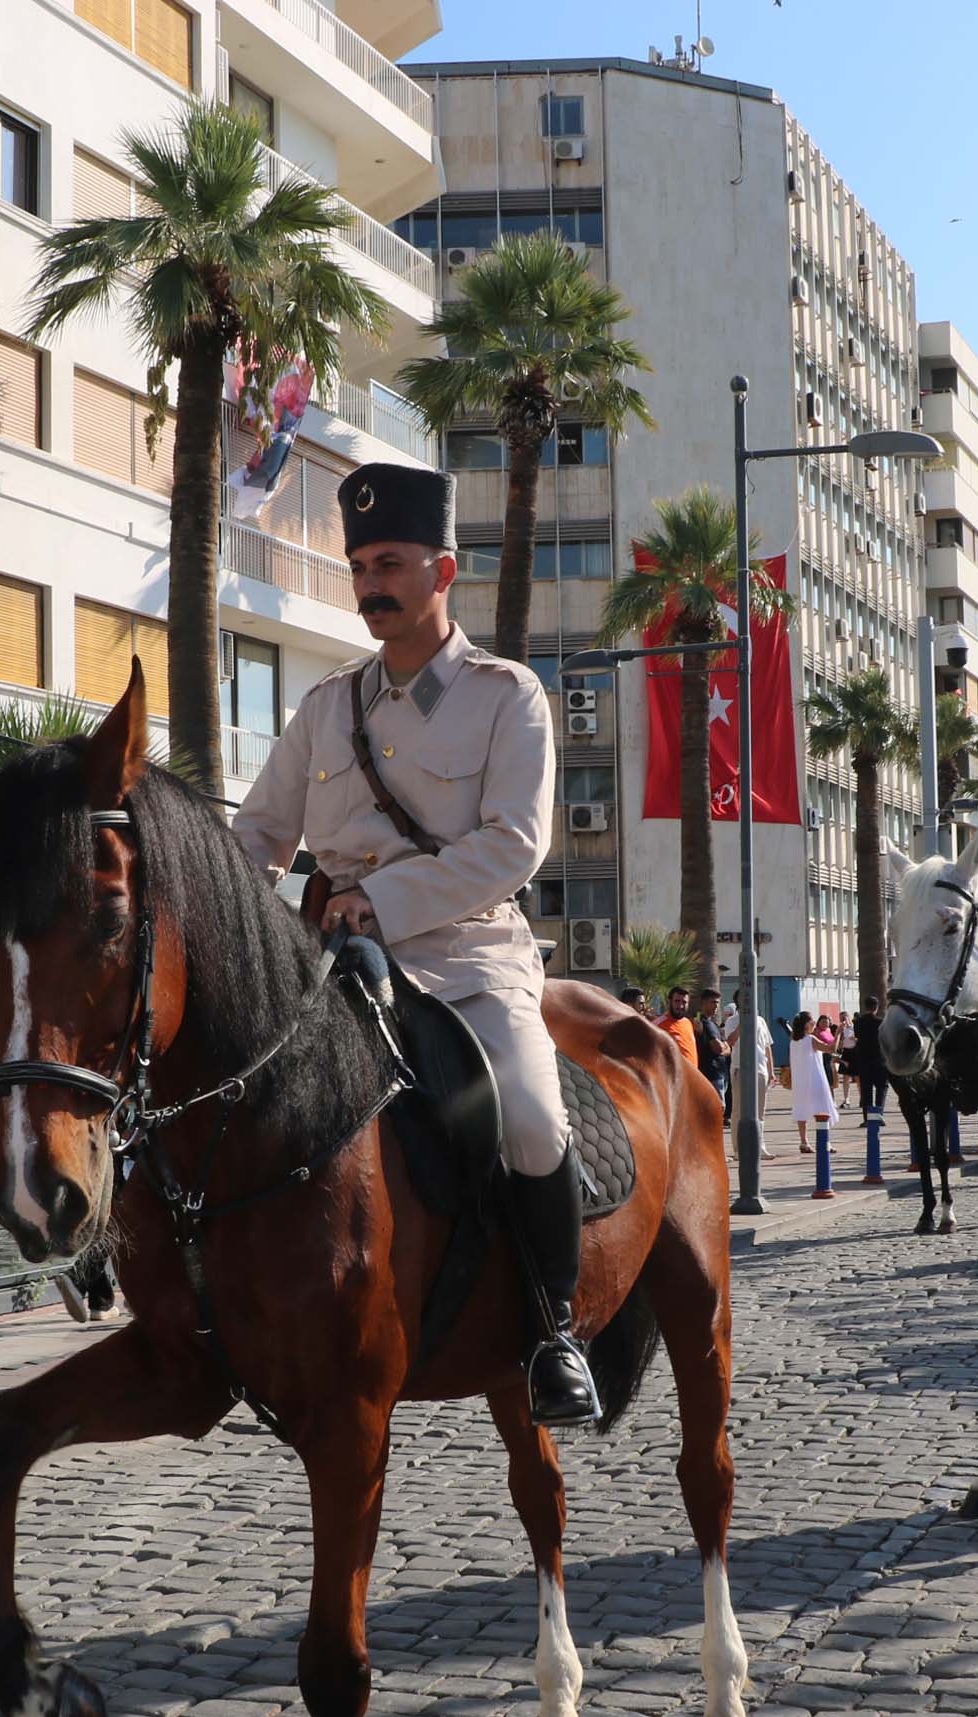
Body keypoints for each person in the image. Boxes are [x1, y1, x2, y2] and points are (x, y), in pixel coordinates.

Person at [229, 461, 597, 1426]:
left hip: (468, 957)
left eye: (389, 563)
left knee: (527, 1115)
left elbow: (514, 845)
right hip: (332, 962)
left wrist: (376, 902)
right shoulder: (324, 709)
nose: (370, 585)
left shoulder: (506, 695)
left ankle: (554, 1328)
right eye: (357, 568)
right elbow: (261, 833)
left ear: (444, 571)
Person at [787, 1011, 838, 1151]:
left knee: (801, 1109)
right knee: (823, 1109)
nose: (814, 1024)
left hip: (800, 1080)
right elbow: (831, 1049)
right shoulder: (810, 1039)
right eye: (812, 1022)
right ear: (805, 1025)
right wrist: (838, 1032)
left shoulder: (793, 1041)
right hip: (815, 1077)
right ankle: (825, 1141)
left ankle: (804, 1141)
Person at [692, 988, 731, 1112]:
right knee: (718, 1109)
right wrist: (726, 1048)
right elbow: (719, 1048)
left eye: (718, 1002)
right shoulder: (705, 1023)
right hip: (712, 1073)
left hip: (719, 1073)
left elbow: (726, 1045)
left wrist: (725, 1047)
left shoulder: (711, 1022)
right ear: (703, 1003)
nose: (716, 1006)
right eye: (713, 1002)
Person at [849, 994, 889, 1115]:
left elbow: (857, 1037)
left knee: (866, 1089)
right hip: (879, 1058)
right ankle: (878, 1114)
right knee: (881, 1087)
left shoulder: (857, 1022)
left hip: (863, 1059)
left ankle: (868, 1117)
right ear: (876, 1007)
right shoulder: (881, 1022)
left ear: (865, 1007)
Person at [658, 988, 703, 1075]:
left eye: (684, 1002)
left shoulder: (687, 1023)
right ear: (670, 1002)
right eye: (677, 1001)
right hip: (672, 1080)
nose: (681, 1006)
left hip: (692, 1078)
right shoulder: (658, 1025)